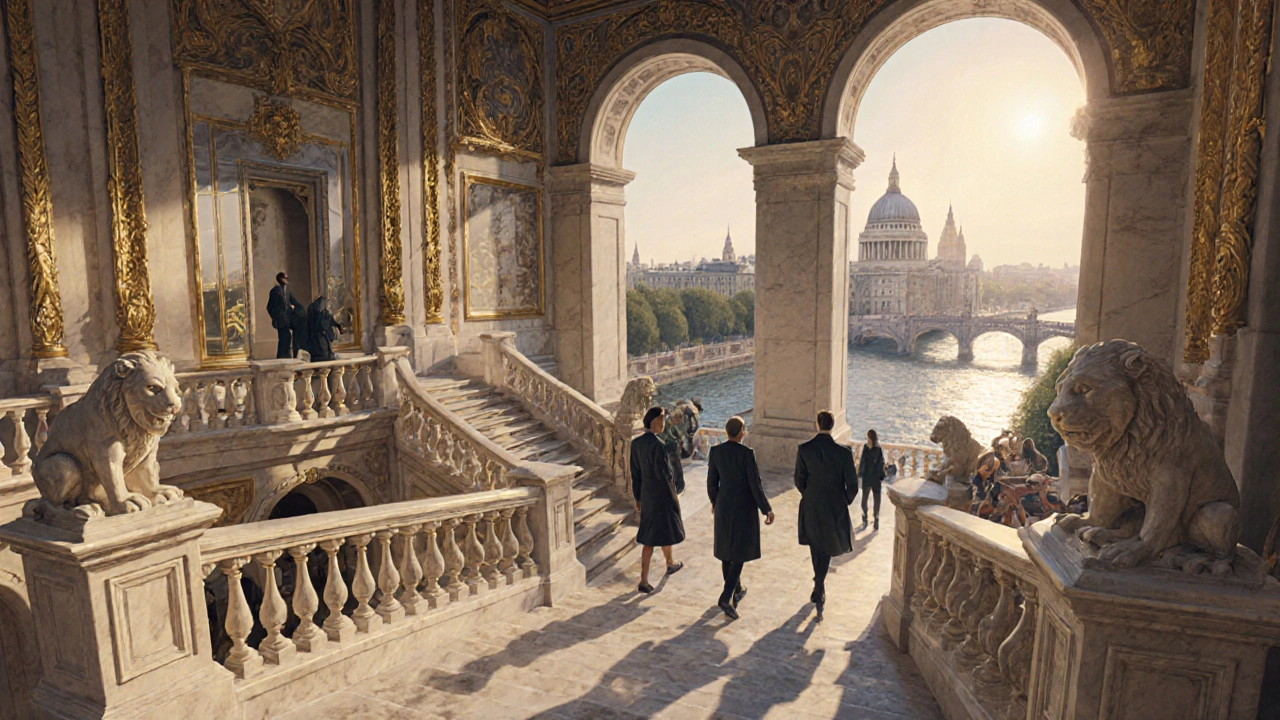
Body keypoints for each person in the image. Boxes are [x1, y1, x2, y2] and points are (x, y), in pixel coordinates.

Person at [707, 416, 774, 619]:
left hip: (724, 506)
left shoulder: (716, 452)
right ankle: (726, 596)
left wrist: (715, 502)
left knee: (727, 549)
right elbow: (755, 485)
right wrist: (766, 509)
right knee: (740, 552)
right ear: (740, 432)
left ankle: (736, 590)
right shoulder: (747, 454)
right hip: (743, 508)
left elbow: (711, 482)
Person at [794, 410, 858, 618]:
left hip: (812, 504)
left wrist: (809, 495)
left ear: (817, 425)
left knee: (815, 544)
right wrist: (844, 500)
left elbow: (798, 479)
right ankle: (819, 585)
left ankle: (818, 584)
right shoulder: (844, 453)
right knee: (828, 544)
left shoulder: (804, 449)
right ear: (832, 426)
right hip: (834, 505)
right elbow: (853, 486)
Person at [631, 406, 685, 594]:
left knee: (658, 532)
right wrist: (673, 496)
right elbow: (666, 475)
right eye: (661, 420)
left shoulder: (636, 444)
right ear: (654, 422)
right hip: (661, 495)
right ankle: (644, 580)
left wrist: (637, 497)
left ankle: (669, 563)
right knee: (654, 535)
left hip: (646, 495)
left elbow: (635, 474)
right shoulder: (658, 445)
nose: (663, 424)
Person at [266, 272, 303, 358]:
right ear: (280, 279)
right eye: (285, 278)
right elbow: (269, 307)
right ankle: (282, 357)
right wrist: (276, 317)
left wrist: (301, 310)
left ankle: (286, 357)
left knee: (288, 338)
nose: (287, 280)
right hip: (280, 320)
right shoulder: (274, 291)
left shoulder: (288, 290)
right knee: (285, 337)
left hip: (288, 319)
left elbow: (295, 302)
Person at [857, 429, 886, 530]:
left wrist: (860, 474)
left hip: (870, 477)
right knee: (870, 499)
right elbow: (880, 463)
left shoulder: (872, 448)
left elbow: (863, 462)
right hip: (872, 478)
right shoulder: (874, 448)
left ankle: (871, 518)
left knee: (870, 499)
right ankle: (870, 518)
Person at [303, 296, 344, 362]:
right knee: (321, 352)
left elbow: (329, 318)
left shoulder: (323, 311)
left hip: (321, 335)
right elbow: (316, 323)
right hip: (316, 337)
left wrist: (338, 326)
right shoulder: (313, 308)